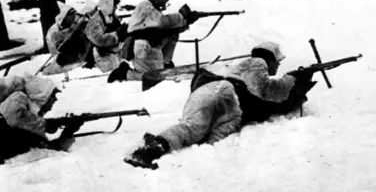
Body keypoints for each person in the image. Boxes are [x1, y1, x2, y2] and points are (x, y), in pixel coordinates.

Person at [124, 41, 315, 169]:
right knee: (195, 129)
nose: (278, 66)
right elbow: (264, 89)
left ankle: (153, 147)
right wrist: (292, 80)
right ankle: (151, 150)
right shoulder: (258, 63)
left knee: (192, 130)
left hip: (206, 92)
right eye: (278, 61)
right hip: (221, 92)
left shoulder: (237, 66)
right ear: (269, 58)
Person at [108, 0, 199, 83]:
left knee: (172, 34)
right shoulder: (146, 7)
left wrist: (186, 22)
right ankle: (125, 74)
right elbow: (162, 21)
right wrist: (182, 16)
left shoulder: (153, 10)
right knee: (154, 78)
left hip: (147, 47)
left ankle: (166, 62)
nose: (167, 0)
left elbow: (167, 28)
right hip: (141, 48)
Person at [43, 2, 96, 75]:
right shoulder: (54, 29)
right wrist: (71, 31)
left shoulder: (74, 24)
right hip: (62, 56)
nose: (74, 17)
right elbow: (56, 44)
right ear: (66, 16)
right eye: (72, 15)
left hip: (77, 54)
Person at [84, 0, 128, 73]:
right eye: (114, 5)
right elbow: (99, 40)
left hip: (114, 54)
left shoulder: (112, 16)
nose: (116, 8)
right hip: (100, 58)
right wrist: (117, 35)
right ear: (108, 6)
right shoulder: (95, 21)